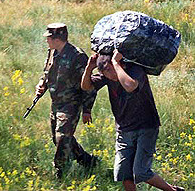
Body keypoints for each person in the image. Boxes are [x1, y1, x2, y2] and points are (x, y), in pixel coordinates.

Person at [81, 50, 185, 191]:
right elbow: (86, 86)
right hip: (124, 129)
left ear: (121, 64)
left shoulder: (135, 70)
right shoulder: (108, 75)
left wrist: (116, 64)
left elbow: (130, 86)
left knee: (141, 172)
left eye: (109, 70)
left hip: (146, 126)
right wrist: (89, 68)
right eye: (105, 73)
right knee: (124, 175)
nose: (110, 76)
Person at [35, 23, 97, 179]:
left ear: (57, 39)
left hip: (71, 104)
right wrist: (41, 85)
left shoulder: (77, 56)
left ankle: (60, 174)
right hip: (56, 103)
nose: (46, 41)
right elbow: (46, 73)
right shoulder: (52, 52)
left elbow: (88, 85)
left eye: (49, 38)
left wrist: (87, 109)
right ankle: (88, 161)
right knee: (59, 139)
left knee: (62, 138)